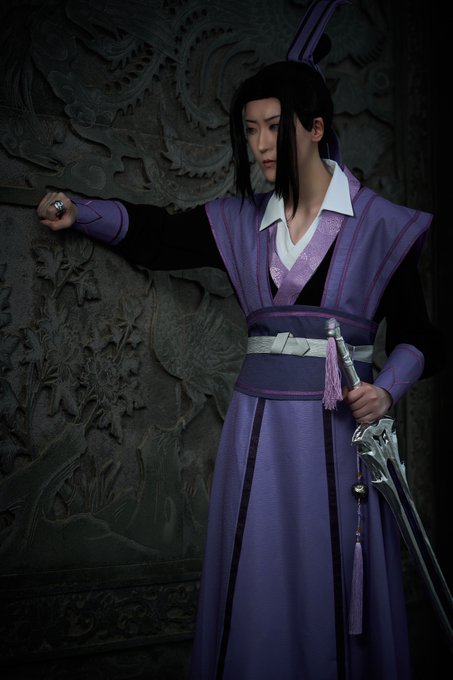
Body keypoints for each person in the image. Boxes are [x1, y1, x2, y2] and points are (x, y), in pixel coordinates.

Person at [36, 13, 442, 680]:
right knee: (259, 584)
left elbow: (422, 336)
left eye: (273, 127)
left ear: (315, 127)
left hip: (341, 437)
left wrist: (386, 388)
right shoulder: (239, 222)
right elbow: (161, 237)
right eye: (250, 130)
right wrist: (80, 211)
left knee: (334, 584)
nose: (260, 144)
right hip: (258, 435)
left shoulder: (381, 227)